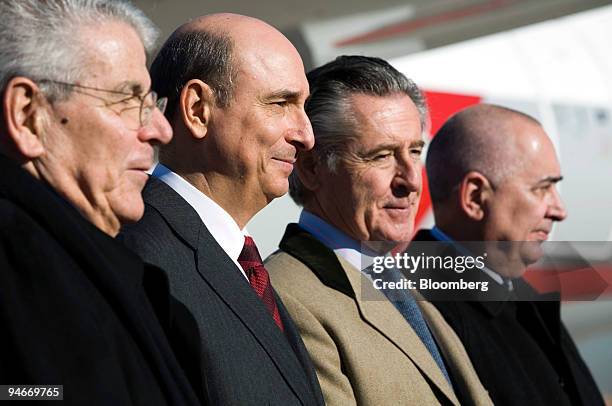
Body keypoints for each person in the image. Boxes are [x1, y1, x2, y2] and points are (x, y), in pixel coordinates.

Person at [0, 1, 199, 405]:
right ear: (28, 116)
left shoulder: (97, 261)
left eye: (150, 102)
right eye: (127, 100)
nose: (160, 129)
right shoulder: (19, 268)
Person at [120, 13, 324, 405]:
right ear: (198, 110)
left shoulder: (242, 264)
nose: (306, 135)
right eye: (280, 103)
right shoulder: (140, 258)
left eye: (304, 107)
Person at [265, 55, 492, 406]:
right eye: (382, 156)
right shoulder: (285, 297)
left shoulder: (398, 281)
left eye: (415, 152)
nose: (411, 180)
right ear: (311, 168)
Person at [414, 103, 604, 405]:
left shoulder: (514, 292)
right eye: (542, 189)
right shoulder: (416, 312)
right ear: (475, 197)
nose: (559, 210)